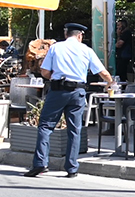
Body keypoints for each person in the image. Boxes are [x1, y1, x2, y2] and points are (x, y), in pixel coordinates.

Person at [24, 23, 113, 178]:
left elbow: (44, 71)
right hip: (77, 92)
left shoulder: (56, 48)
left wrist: (56, 78)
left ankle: (40, 163)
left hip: (58, 91)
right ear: (80, 35)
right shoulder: (86, 50)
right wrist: (110, 83)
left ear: (66, 34)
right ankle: (72, 168)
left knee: (45, 126)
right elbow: (102, 72)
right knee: (74, 130)